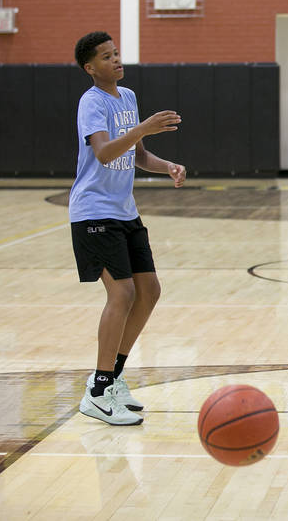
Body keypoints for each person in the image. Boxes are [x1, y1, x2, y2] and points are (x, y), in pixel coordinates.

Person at [70, 31, 186, 426]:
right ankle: (99, 391)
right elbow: (103, 152)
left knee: (149, 291)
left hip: (124, 212)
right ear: (91, 68)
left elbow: (137, 156)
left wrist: (166, 164)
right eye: (106, 57)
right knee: (122, 293)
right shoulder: (92, 102)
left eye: (116, 53)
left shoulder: (129, 97)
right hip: (93, 212)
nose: (116, 60)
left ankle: (114, 377)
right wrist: (142, 129)